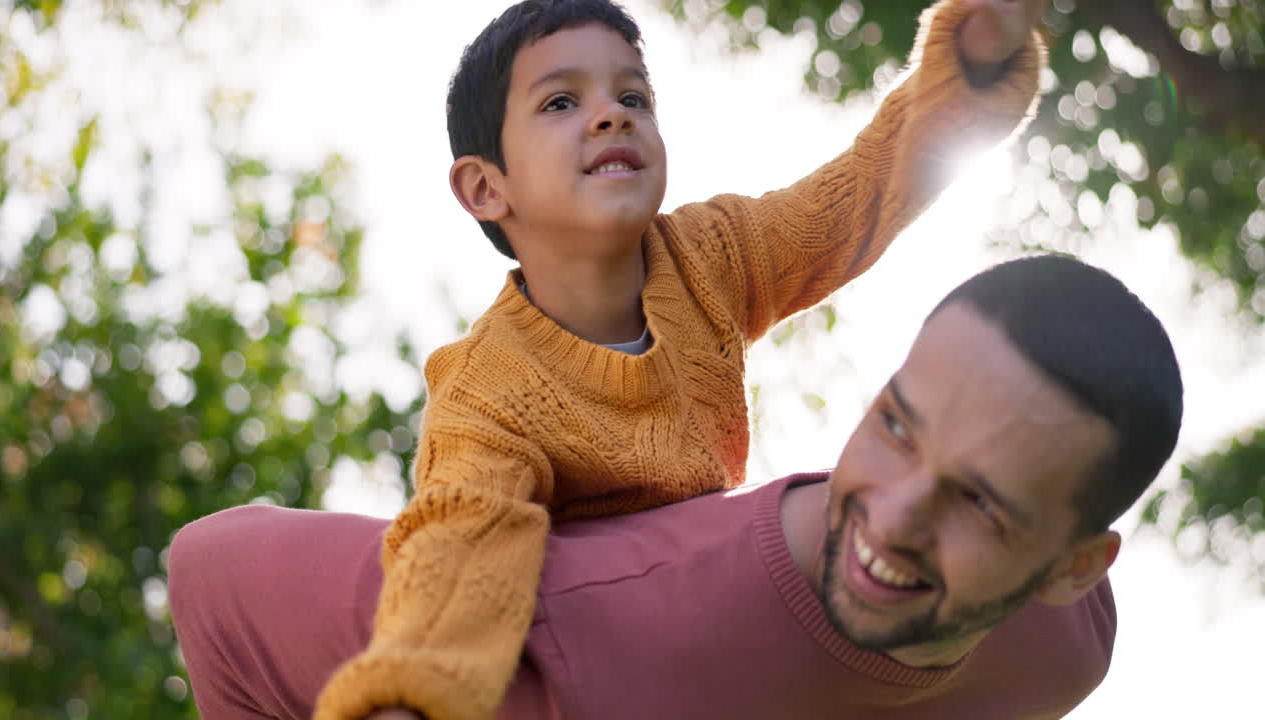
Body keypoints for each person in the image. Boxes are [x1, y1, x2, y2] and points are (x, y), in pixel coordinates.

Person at [292, 0, 1046, 717]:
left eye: (635, 97)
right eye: (560, 103)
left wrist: (971, 63)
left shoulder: (710, 256)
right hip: (595, 643)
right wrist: (411, 698)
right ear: (487, 187)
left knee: (1043, 608)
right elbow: (461, 537)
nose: (611, 113)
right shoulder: (488, 390)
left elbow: (855, 199)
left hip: (719, 614)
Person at [169, 254, 1185, 719]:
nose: (893, 511)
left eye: (977, 502)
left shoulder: (1066, 645)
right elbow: (215, 574)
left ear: (1072, 566)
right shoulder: (584, 632)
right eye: (893, 426)